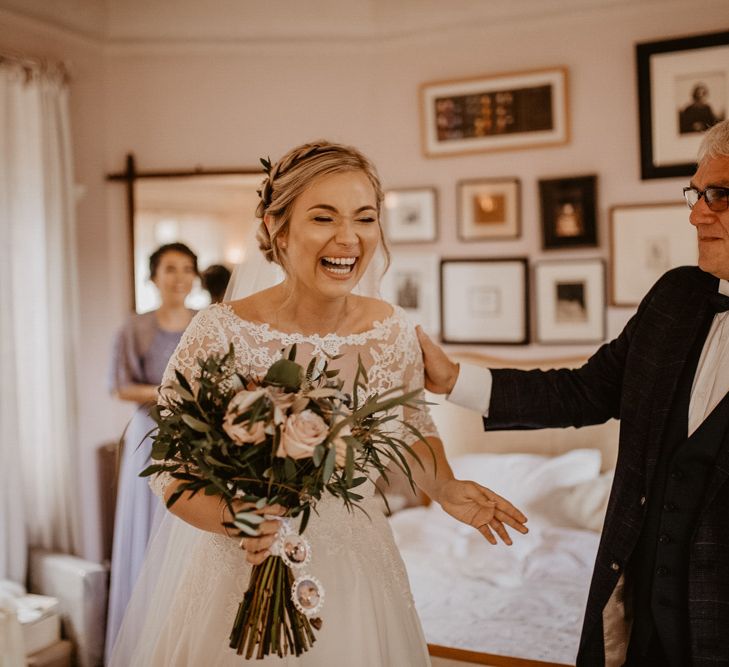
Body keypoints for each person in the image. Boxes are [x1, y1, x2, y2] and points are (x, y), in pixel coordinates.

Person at [109, 141, 528, 666]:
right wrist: (238, 518)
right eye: (323, 217)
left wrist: (443, 482)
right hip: (239, 565)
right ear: (276, 228)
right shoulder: (219, 332)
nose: (348, 238)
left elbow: (412, 425)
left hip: (356, 563)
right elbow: (169, 467)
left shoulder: (392, 329)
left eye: (365, 218)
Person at [416, 119, 729, 667]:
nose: (697, 213)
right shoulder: (675, 298)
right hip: (637, 619)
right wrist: (453, 379)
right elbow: (585, 390)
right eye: (697, 193)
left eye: (720, 195)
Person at [104, 242, 198, 661]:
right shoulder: (135, 327)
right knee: (149, 528)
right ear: (154, 276)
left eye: (187, 269)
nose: (179, 277)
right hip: (149, 438)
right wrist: (167, 393)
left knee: (190, 526)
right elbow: (120, 386)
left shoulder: (205, 323)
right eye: (170, 269)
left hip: (197, 437)